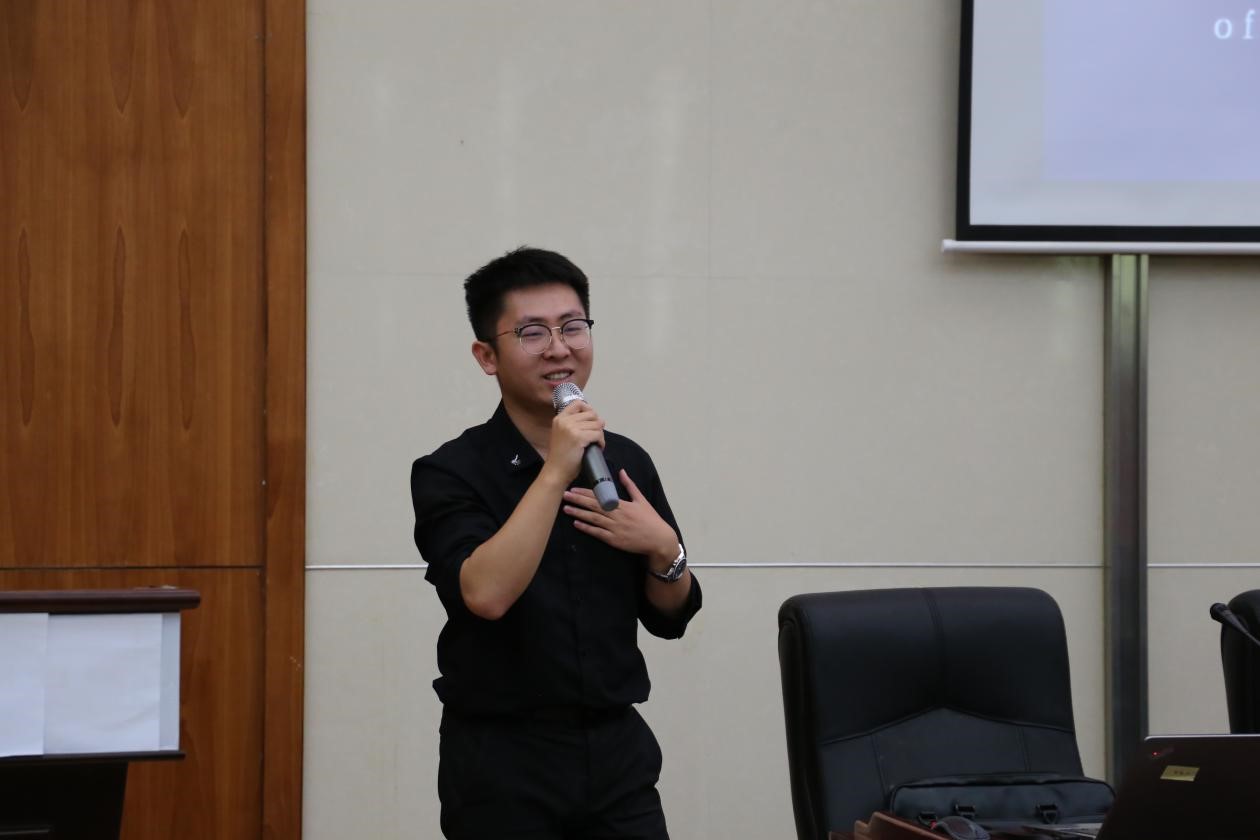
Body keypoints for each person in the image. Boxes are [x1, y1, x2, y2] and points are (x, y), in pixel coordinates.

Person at [411, 246, 702, 840]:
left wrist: (664, 550)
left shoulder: (624, 461)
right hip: (503, 761)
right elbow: (486, 594)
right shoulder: (451, 470)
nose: (559, 348)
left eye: (573, 327)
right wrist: (555, 469)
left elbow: (669, 617)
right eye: (532, 332)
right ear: (487, 356)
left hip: (617, 754)